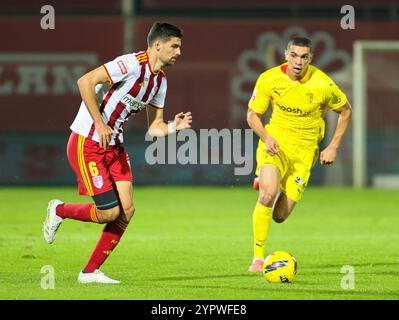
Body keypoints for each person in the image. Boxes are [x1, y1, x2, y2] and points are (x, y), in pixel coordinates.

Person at [42, 21, 192, 283]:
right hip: (87, 141)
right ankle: (59, 210)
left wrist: (173, 127)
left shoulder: (160, 83)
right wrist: (100, 123)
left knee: (128, 210)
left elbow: (154, 127)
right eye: (174, 46)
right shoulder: (130, 64)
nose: (179, 52)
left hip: (114, 145)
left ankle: (89, 272)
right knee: (110, 213)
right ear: (158, 45)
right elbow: (84, 81)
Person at [247, 36, 352, 272]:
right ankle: (257, 257)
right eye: (294, 55)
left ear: (310, 58)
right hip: (275, 146)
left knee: (280, 216)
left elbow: (346, 112)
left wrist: (333, 146)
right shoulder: (269, 79)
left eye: (304, 56)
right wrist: (266, 137)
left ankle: (268, 180)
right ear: (286, 55)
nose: (298, 61)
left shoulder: (322, 84)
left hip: (304, 155)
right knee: (267, 194)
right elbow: (252, 114)